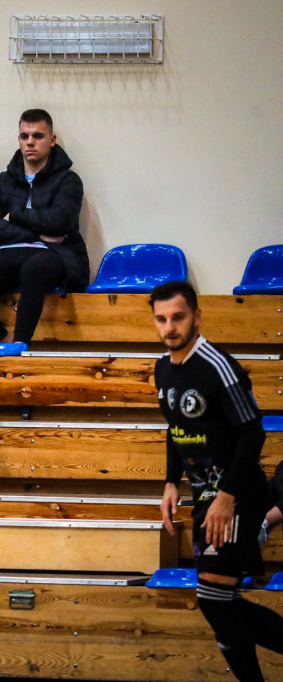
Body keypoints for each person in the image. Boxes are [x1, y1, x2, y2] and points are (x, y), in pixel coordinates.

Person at [152, 280, 283, 681]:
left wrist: (227, 496)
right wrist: (172, 482)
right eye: (161, 319)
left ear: (196, 316)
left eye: (178, 317)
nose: (169, 327)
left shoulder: (217, 365)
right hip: (205, 495)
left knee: (213, 600)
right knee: (220, 601)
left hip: (238, 494)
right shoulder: (162, 369)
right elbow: (176, 431)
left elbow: (253, 433)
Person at [0, 109, 88, 345]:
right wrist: (38, 232)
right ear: (19, 139)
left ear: (52, 140)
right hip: (7, 251)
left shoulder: (68, 180)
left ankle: (21, 344)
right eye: (24, 136)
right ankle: (4, 337)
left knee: (35, 267)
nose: (30, 142)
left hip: (51, 253)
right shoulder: (3, 181)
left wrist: (14, 215)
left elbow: (59, 221)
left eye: (37, 136)